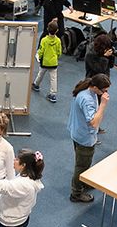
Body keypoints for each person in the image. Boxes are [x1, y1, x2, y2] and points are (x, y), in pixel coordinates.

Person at [68, 74, 109, 203]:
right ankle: (76, 193)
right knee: (81, 166)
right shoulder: (88, 100)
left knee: (83, 162)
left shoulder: (86, 89)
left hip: (77, 132)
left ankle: (84, 182)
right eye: (104, 90)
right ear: (95, 87)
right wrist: (103, 104)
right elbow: (94, 123)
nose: (105, 93)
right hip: (84, 138)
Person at [32, 20, 63, 103]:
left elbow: (41, 50)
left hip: (44, 62)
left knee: (40, 74)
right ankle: (53, 94)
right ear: (57, 30)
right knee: (53, 78)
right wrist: (56, 57)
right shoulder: (58, 40)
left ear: (47, 29)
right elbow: (59, 52)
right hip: (54, 63)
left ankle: (36, 84)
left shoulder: (44, 40)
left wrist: (38, 56)